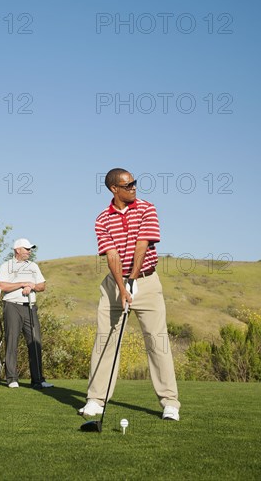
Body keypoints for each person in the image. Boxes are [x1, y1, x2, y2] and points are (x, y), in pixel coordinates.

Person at [78, 168, 181, 421]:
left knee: (157, 341)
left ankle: (170, 403)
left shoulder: (147, 208)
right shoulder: (102, 219)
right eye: (128, 184)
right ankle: (96, 400)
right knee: (105, 340)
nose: (134, 187)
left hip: (146, 281)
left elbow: (142, 244)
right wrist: (122, 288)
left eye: (135, 183)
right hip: (114, 285)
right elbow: (112, 255)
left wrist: (133, 280)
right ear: (115, 189)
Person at [0, 238, 53, 390]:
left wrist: (32, 285)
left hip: (30, 307)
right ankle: (12, 378)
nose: (29, 251)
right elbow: (1, 285)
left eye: (30, 249)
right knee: (12, 341)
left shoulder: (33, 266)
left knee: (35, 342)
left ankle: (38, 380)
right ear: (17, 250)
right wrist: (22, 284)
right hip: (12, 306)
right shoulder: (6, 266)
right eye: (26, 249)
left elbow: (42, 286)